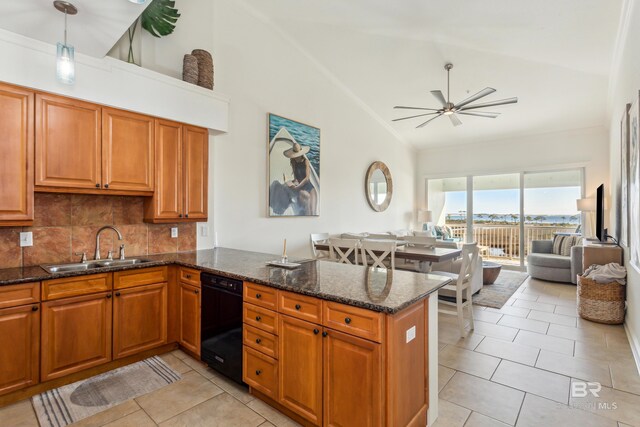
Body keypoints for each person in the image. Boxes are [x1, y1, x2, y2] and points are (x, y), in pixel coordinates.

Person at [283, 142, 317, 215]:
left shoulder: (306, 161)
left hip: (310, 187)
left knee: (313, 213)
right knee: (308, 212)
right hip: (301, 189)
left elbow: (307, 178)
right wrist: (291, 182)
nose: (296, 157)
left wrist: (297, 186)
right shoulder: (293, 162)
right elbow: (296, 178)